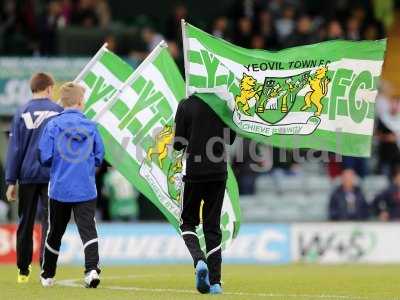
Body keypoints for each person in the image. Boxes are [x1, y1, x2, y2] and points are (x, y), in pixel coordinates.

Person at [38, 82, 104, 288]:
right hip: (85, 187)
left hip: (59, 188)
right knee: (88, 230)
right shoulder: (92, 127)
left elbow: (44, 156)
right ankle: (91, 270)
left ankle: (47, 275)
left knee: (55, 232)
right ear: (80, 102)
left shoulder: (52, 125)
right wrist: (84, 166)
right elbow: (99, 156)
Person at [173, 95, 236, 295]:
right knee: (212, 226)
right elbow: (231, 139)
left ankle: (199, 260)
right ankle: (216, 282)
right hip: (218, 171)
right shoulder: (223, 103)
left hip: (194, 172)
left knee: (187, 222)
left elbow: (178, 143)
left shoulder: (186, 104)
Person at [5, 72, 62, 283]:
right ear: (48, 88)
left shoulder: (21, 112)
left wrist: (11, 181)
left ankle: (23, 270)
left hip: (27, 176)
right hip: (50, 176)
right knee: (50, 223)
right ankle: (45, 270)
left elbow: (15, 149)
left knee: (25, 223)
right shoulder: (58, 111)